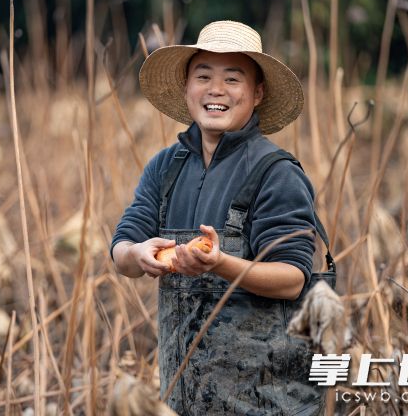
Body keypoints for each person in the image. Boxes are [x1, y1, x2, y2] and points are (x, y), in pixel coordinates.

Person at [111, 21, 325, 415]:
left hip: (266, 399)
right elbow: (123, 246)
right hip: (184, 395)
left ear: (257, 93)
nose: (216, 89)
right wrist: (138, 252)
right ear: (187, 88)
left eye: (233, 78)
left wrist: (220, 263)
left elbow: (293, 279)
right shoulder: (165, 168)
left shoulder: (276, 173)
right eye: (204, 76)